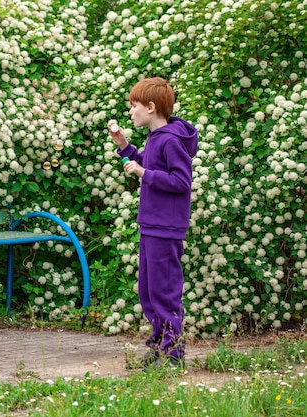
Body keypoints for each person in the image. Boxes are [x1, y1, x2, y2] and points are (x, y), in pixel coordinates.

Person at [109, 77, 198, 371]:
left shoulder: (171, 140)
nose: (131, 113)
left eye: (134, 107)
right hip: (150, 225)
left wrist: (143, 173)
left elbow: (181, 182)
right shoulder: (155, 137)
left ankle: (173, 354)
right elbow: (146, 164)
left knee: (164, 291)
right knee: (148, 291)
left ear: (151, 106)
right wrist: (124, 146)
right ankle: (159, 346)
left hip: (166, 227)